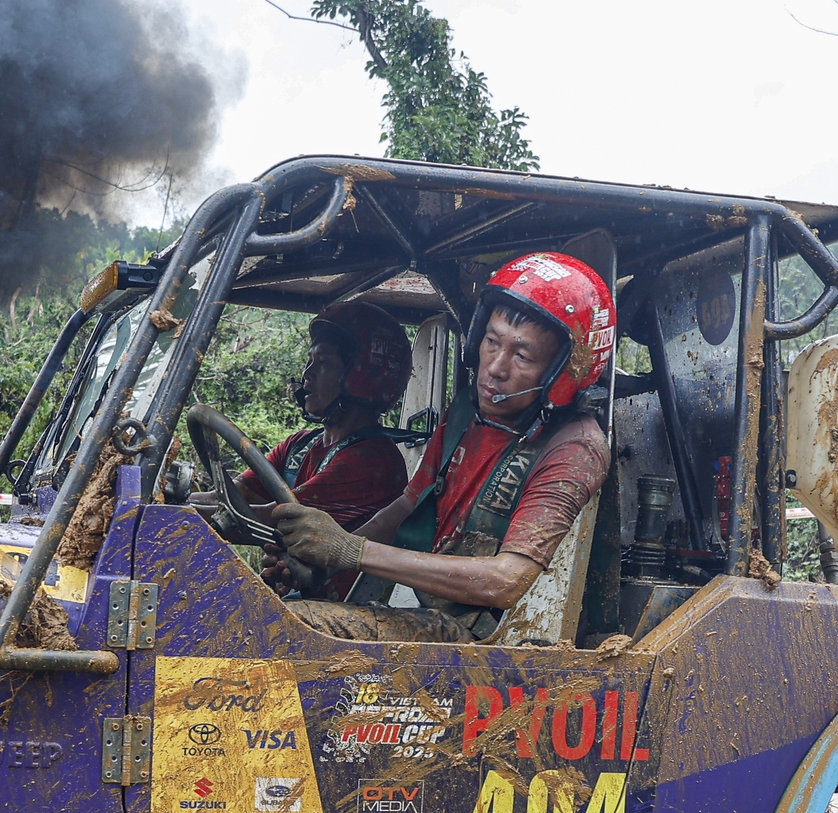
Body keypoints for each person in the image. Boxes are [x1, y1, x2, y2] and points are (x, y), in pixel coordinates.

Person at [270, 252, 614, 642]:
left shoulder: (574, 448)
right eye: (490, 341)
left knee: (288, 627)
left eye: (521, 356)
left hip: (495, 641)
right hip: (429, 614)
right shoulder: (469, 410)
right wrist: (327, 559)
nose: (495, 368)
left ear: (562, 372)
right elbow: (405, 506)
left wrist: (353, 550)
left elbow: (506, 581)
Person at [195, 301, 412, 595]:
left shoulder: (372, 459)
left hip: (341, 608)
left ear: (362, 378)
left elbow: (263, 517)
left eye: (323, 364)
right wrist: (171, 498)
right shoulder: (301, 444)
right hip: (299, 596)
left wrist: (178, 514)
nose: (307, 374)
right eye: (310, 362)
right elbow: (236, 493)